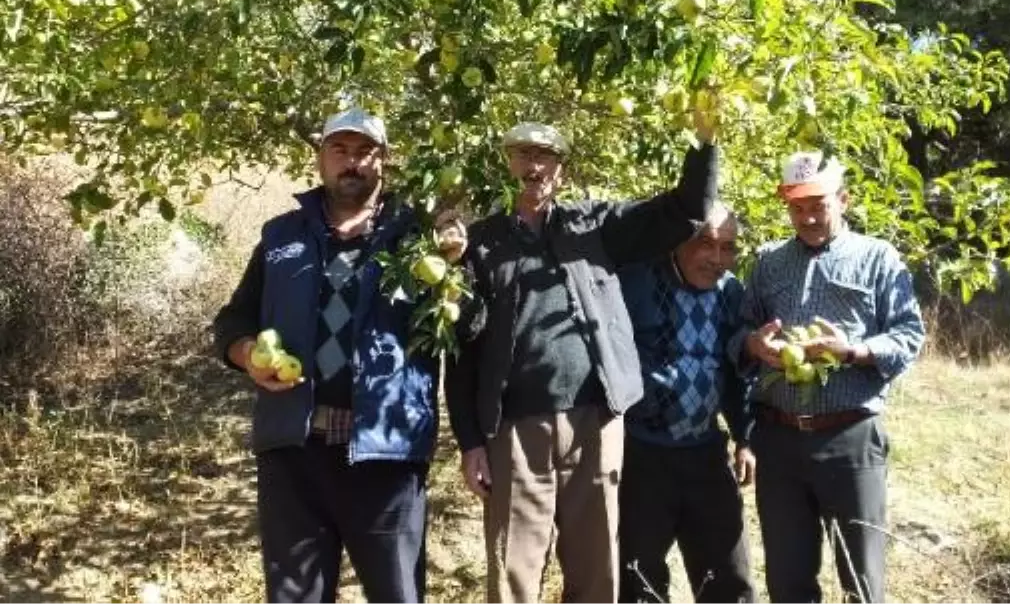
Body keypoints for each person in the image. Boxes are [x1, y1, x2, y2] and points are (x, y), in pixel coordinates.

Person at [446, 109, 720, 603]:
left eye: (546, 156)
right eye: (524, 154)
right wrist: (470, 442)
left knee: (596, 570)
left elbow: (685, 212)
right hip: (514, 430)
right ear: (507, 163)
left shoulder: (594, 225)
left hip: (594, 421)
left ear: (563, 169)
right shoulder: (480, 243)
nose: (535, 166)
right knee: (513, 573)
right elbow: (462, 348)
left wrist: (704, 139)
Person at [212, 107, 465, 603]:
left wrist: (455, 268)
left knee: (397, 594)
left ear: (384, 161)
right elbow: (233, 319)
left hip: (386, 451)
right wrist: (247, 355)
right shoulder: (281, 236)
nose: (352, 162)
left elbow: (466, 325)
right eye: (340, 149)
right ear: (320, 158)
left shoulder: (419, 239)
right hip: (294, 451)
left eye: (366, 151)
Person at [734, 150, 925, 603]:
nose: (808, 218)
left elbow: (909, 335)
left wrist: (853, 351)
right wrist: (753, 345)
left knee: (861, 580)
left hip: (850, 438)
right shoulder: (768, 262)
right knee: (788, 581)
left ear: (843, 199)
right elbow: (740, 329)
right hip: (779, 442)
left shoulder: (878, 258)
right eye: (797, 207)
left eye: (818, 205)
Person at [616, 202, 757, 603]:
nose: (717, 258)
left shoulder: (731, 292)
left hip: (705, 452)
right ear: (678, 241)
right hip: (640, 454)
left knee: (729, 580)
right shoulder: (635, 282)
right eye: (706, 243)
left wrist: (745, 436)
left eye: (728, 248)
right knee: (638, 578)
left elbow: (738, 372)